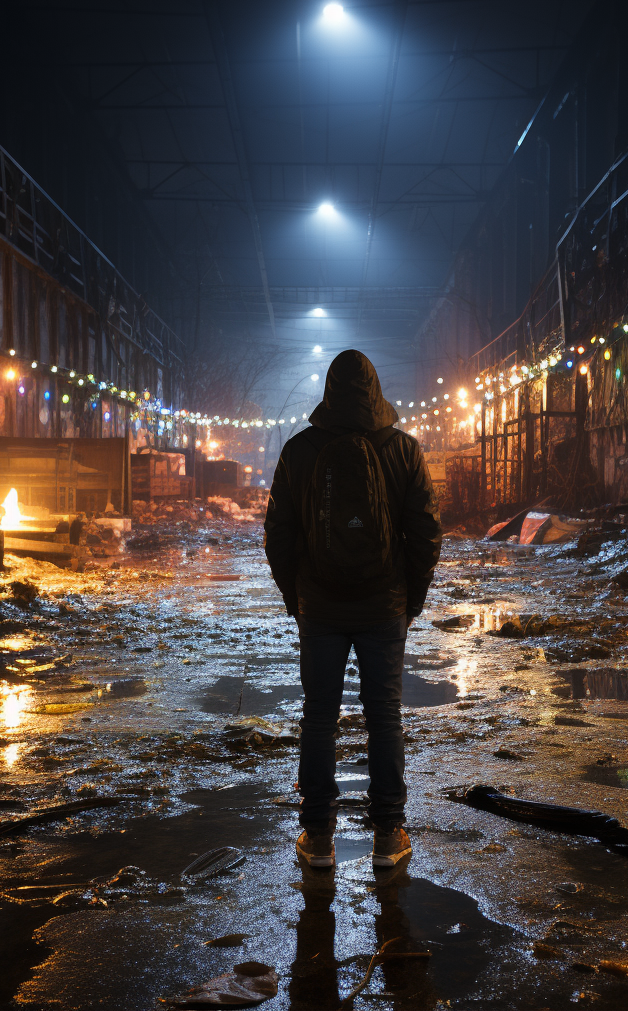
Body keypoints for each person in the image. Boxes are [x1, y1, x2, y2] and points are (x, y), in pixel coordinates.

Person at [264, 349, 442, 869]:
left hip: (319, 605)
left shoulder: (298, 451)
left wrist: (295, 597)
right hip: (383, 605)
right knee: (383, 716)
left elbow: (278, 535)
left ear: (328, 391)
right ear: (376, 390)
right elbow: (426, 532)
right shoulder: (403, 450)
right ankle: (388, 835)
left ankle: (318, 838)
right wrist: (411, 598)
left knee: (319, 717)